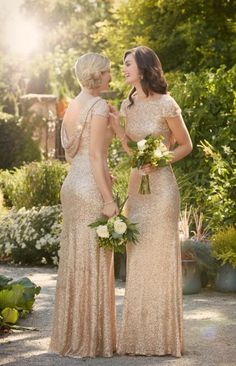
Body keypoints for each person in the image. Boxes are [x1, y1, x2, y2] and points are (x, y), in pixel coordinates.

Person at [109, 46, 193, 357]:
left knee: (160, 259)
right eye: (122, 65)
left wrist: (159, 160)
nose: (124, 69)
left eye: (128, 64)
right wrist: (119, 131)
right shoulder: (126, 105)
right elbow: (133, 155)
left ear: (144, 69)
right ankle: (137, 340)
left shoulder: (166, 104)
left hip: (162, 190)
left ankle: (163, 340)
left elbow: (186, 145)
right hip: (136, 189)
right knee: (139, 259)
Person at [50, 53, 118, 358]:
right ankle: (90, 339)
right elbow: (95, 157)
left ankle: (70, 336)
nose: (110, 78)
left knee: (76, 258)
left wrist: (104, 174)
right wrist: (107, 198)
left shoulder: (72, 106)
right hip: (90, 189)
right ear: (96, 75)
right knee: (93, 259)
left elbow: (72, 155)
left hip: (71, 187)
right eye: (106, 73)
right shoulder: (100, 106)